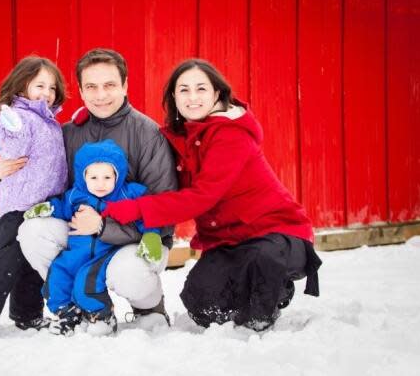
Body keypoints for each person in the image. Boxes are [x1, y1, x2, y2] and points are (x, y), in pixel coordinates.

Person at [102, 59, 322, 331]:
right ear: (173, 96)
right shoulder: (183, 138)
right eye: (183, 90)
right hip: (228, 242)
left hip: (277, 233)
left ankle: (274, 294)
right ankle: (253, 289)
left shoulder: (230, 135)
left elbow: (201, 197)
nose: (192, 97)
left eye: (201, 89)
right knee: (200, 301)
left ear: (217, 93)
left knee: (262, 263)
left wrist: (137, 208)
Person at [0, 48, 178, 331]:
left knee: (128, 273)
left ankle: (149, 307)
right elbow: (35, 173)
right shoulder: (67, 133)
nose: (100, 95)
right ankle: (79, 305)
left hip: (135, 237)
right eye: (91, 86)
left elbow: (162, 209)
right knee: (32, 231)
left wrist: (103, 226)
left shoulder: (147, 133)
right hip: (82, 235)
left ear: (125, 85)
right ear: (80, 89)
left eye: (109, 85)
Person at [0, 56, 68, 337]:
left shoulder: (51, 123)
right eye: (40, 86)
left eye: (52, 88)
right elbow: (11, 148)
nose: (47, 93)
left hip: (43, 207)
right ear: (22, 86)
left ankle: (27, 315)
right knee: (6, 261)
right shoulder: (13, 115)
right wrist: (13, 123)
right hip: (20, 204)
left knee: (31, 263)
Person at [24, 139, 162, 336]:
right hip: (76, 252)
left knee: (86, 284)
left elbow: (148, 211)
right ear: (83, 176)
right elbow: (61, 206)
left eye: (107, 177)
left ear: (118, 175)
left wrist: (151, 235)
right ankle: (68, 315)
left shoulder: (127, 194)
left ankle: (103, 316)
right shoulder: (76, 195)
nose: (100, 184)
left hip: (104, 252)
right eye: (94, 177)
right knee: (56, 279)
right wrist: (47, 208)